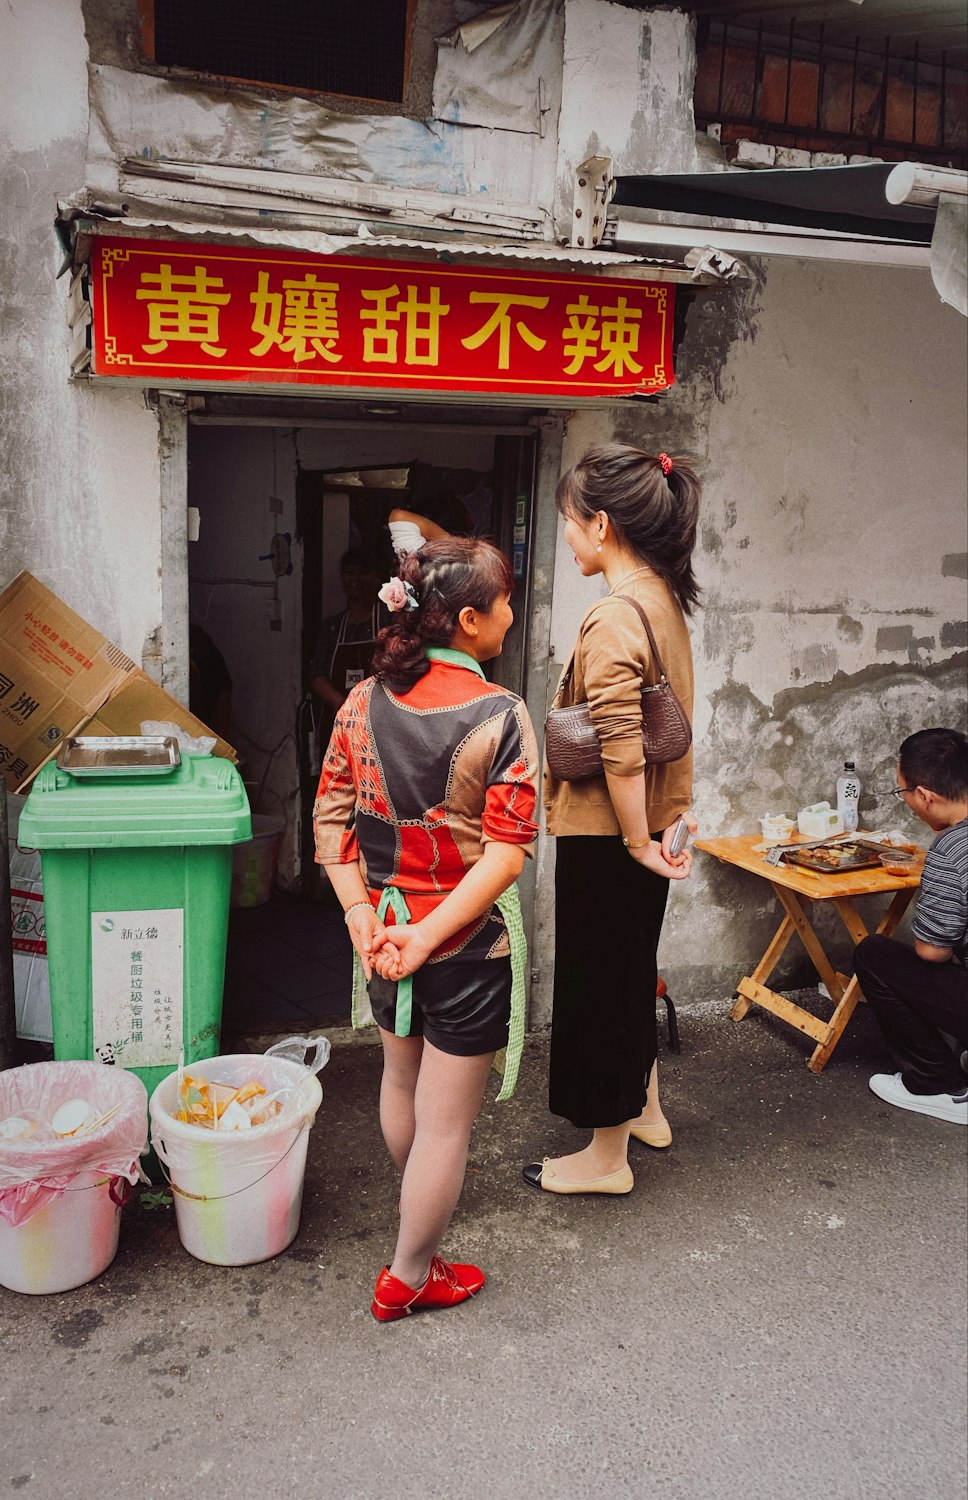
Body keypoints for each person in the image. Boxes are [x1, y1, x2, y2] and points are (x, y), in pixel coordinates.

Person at [313, 537, 539, 1320]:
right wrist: (430, 932)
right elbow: (505, 858)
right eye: (505, 601)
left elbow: (331, 822)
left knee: (399, 1083)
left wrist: (361, 917)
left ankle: (421, 1223)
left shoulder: (358, 702)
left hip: (385, 935)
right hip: (465, 945)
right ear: (470, 620)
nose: (513, 613)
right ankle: (410, 1275)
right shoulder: (502, 715)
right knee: (446, 1127)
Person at [524, 444, 699, 1196]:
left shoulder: (615, 614)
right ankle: (645, 1108)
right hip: (654, 824)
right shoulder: (662, 598)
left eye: (569, 522)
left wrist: (630, 839)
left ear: (601, 524)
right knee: (629, 972)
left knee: (600, 986)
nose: (567, 538)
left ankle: (605, 1158)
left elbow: (621, 749)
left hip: (612, 833)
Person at [855, 728, 968, 1125]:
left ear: (925, 796)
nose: (906, 802)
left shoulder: (952, 848)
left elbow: (932, 951)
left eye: (902, 793)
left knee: (874, 954)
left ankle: (938, 1084)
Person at [309, 546, 383, 720]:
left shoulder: (391, 621)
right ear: (342, 578)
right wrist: (341, 704)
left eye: (364, 572)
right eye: (349, 572)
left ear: (377, 576)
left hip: (379, 717)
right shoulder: (332, 626)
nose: (356, 579)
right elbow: (316, 674)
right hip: (341, 718)